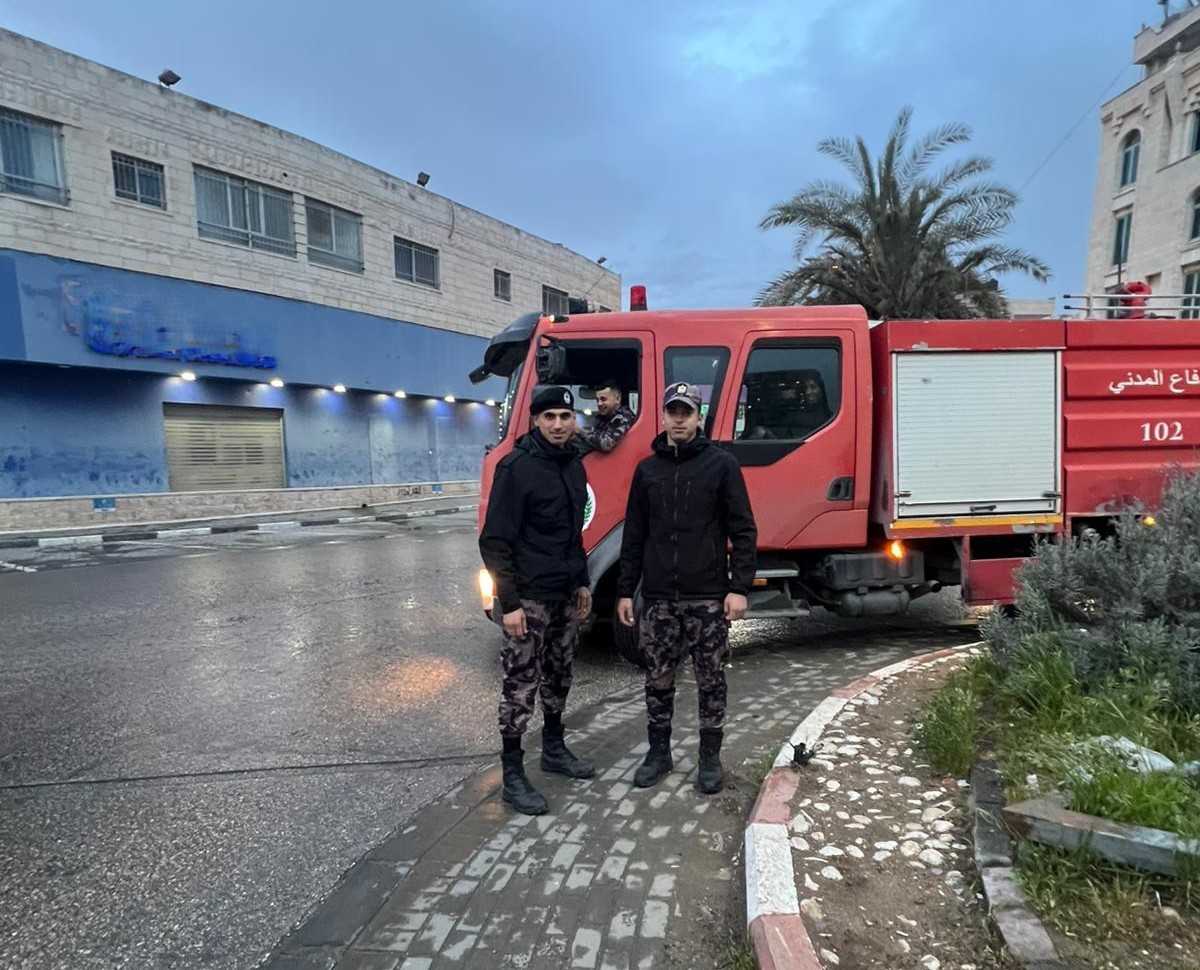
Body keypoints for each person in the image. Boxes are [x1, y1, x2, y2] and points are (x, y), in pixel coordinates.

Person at [615, 382, 757, 794]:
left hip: (707, 597)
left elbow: (743, 530)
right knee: (657, 680)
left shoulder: (721, 465)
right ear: (662, 416)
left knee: (711, 680)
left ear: (699, 417)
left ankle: (709, 758)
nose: (678, 420)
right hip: (659, 597)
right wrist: (625, 590)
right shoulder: (647, 471)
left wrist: (739, 587)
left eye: (686, 412)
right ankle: (658, 753)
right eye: (672, 412)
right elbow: (634, 535)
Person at [479, 384, 595, 815]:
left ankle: (554, 750)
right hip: (528, 599)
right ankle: (512, 775)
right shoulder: (516, 468)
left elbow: (574, 532)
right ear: (535, 421)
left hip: (564, 595)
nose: (558, 425)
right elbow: (495, 541)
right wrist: (508, 604)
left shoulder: (574, 465)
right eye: (550, 417)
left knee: (559, 677)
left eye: (565, 417)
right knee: (520, 685)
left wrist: (582, 582)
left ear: (573, 420)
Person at [578, 379, 636, 453]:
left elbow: (606, 444)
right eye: (597, 400)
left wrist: (581, 432)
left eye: (603, 399)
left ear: (618, 399)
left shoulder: (624, 417)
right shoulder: (603, 417)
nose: (599, 403)